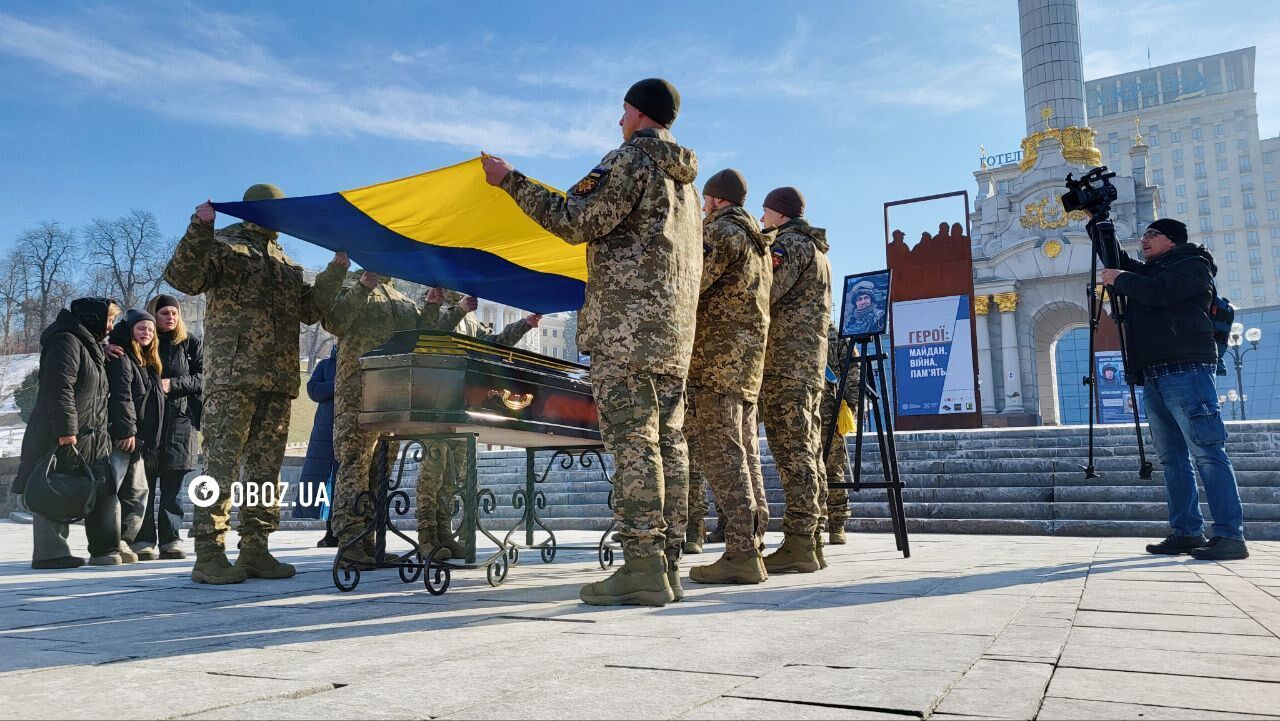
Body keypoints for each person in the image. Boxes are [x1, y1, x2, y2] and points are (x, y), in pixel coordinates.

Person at [483, 77, 701, 606]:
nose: (618, 121)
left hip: (627, 334)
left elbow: (574, 218)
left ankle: (642, 566)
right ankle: (666, 564)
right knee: (669, 444)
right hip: (673, 338)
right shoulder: (689, 188)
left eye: (622, 111)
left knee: (634, 443)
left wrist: (510, 180)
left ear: (639, 113)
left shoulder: (630, 160)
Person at [164, 185, 347, 584]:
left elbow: (311, 310)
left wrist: (336, 269)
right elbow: (183, 277)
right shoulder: (226, 245)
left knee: (265, 471)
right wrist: (201, 226)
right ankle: (209, 553)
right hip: (233, 376)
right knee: (219, 466)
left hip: (277, 380)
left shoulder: (285, 262)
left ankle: (255, 548)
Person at [1101, 217, 1248, 561]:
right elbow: (1117, 261)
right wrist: (1098, 222)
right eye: (1143, 235)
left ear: (1173, 240)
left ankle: (1230, 536)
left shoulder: (1192, 265)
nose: (1144, 240)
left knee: (1208, 454)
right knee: (1171, 459)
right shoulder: (1153, 270)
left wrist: (1121, 279)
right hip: (1153, 373)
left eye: (1152, 234)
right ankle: (1186, 531)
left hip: (1187, 370)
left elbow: (1158, 293)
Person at [684, 168, 772, 585]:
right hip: (746, 365)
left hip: (717, 362)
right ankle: (753, 543)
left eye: (705, 201)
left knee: (724, 454)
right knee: (746, 455)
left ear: (717, 200)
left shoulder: (721, 233)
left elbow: (690, 283)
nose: (703, 208)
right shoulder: (757, 242)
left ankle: (740, 553)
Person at [416, 288, 538, 559]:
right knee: (433, 469)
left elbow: (492, 343)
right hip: (435, 401)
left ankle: (444, 533)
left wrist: (524, 324)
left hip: (460, 404)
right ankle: (426, 535)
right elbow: (428, 333)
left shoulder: (470, 318)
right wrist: (459, 308)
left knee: (454, 474)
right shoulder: (434, 304)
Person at [324, 271, 426, 566]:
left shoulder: (404, 301)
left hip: (393, 396)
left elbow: (422, 334)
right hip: (357, 391)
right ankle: (350, 541)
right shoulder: (352, 284)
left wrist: (438, 306)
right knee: (355, 464)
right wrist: (364, 285)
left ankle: (371, 540)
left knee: (381, 469)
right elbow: (335, 321)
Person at [758, 186, 832, 574]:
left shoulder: (789, 246)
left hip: (786, 361)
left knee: (793, 451)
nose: (762, 219)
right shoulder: (816, 249)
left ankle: (801, 541)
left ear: (779, 214)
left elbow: (764, 291)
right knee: (806, 447)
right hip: (806, 363)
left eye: (765, 213)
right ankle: (812, 539)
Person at [16, 298, 121, 568]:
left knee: (105, 489)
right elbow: (59, 387)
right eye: (108, 320)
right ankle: (51, 553)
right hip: (64, 432)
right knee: (54, 487)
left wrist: (103, 352)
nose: (110, 327)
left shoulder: (90, 345)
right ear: (92, 318)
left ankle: (105, 549)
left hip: (94, 434)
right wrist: (66, 431)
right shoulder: (66, 340)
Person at [133, 294, 203, 560]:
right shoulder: (142, 339)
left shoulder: (190, 343)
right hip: (148, 423)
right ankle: (144, 541)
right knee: (145, 486)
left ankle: (171, 540)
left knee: (173, 489)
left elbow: (203, 377)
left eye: (174, 313)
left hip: (180, 423)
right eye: (164, 313)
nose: (170, 317)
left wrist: (172, 384)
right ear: (154, 314)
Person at [106, 310, 166, 563]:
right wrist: (126, 430)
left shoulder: (145, 362)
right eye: (142, 328)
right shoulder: (122, 357)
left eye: (151, 330)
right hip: (124, 438)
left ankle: (123, 541)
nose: (147, 333)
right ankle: (109, 544)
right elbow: (122, 396)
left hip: (139, 441)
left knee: (138, 492)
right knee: (116, 492)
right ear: (130, 329)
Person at [822, 320, 859, 545]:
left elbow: (853, 369)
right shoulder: (793, 329)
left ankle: (837, 524)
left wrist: (850, 406)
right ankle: (813, 523)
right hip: (801, 413)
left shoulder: (837, 336)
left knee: (833, 468)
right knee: (804, 470)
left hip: (830, 411)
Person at [298, 343, 338, 547]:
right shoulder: (325, 365)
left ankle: (342, 530)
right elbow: (313, 390)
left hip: (348, 429)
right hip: (324, 430)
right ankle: (330, 531)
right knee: (326, 481)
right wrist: (337, 384)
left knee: (342, 480)